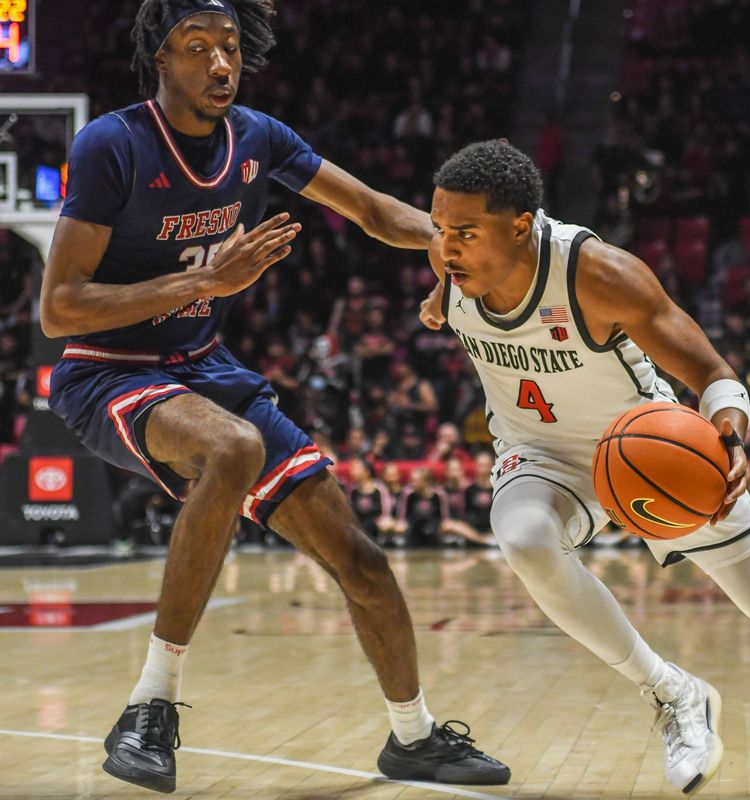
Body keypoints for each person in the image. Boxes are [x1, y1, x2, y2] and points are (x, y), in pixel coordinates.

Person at [40, 1, 507, 792]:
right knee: (233, 447)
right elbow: (59, 308)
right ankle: (151, 706)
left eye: (230, 48)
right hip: (107, 368)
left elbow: (369, 209)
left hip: (206, 367)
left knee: (362, 561)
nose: (221, 64)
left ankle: (414, 736)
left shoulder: (258, 136)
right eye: (198, 48)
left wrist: (447, 245)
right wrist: (206, 281)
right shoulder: (111, 145)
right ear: (161, 56)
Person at [418, 140, 750, 794]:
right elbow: (383, 219)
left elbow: (714, 373)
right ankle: (673, 694)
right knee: (523, 538)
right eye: (437, 228)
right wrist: (276, 153)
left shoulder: (598, 274)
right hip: (542, 454)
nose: (445, 245)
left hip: (648, 448)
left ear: (520, 225)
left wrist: (731, 437)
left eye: (462, 231)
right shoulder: (454, 259)